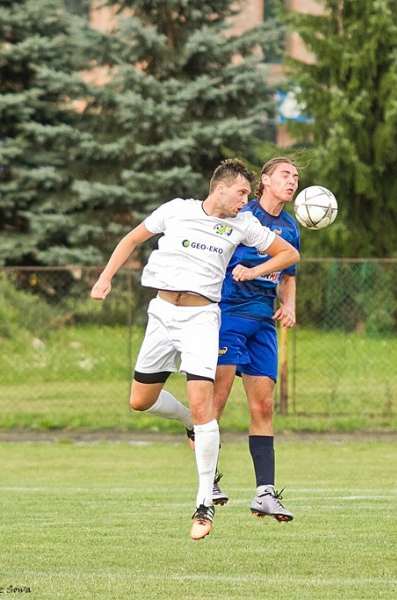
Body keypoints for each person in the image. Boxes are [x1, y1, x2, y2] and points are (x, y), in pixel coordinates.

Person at [90, 159, 300, 540]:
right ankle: (193, 423)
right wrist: (105, 277)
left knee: (206, 407)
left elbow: (289, 255)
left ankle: (204, 504)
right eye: (241, 193)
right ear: (221, 188)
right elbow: (132, 239)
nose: (245, 201)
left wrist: (253, 272)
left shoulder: (243, 224)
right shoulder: (177, 210)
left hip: (203, 319)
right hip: (162, 313)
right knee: (140, 401)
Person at [211, 157, 301, 522]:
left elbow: (287, 274)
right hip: (228, 316)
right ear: (265, 180)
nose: (292, 181)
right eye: (285, 175)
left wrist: (290, 305)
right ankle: (208, 482)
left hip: (263, 322)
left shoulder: (291, 228)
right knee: (213, 405)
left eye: (296, 177)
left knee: (263, 409)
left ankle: (265, 493)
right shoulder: (239, 213)